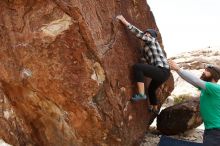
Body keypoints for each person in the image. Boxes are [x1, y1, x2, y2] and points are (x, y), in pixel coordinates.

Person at [116, 15, 170, 114]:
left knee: (137, 68)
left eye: (148, 34)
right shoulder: (146, 48)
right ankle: (155, 109)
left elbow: (139, 34)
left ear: (152, 36)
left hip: (162, 71)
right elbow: (145, 60)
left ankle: (141, 94)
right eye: (146, 33)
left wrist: (125, 22)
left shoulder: (153, 41)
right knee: (151, 89)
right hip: (163, 73)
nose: (146, 35)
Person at [168, 60, 220, 146]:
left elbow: (195, 80)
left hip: (216, 131)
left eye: (207, 71)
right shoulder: (206, 89)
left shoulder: (214, 87)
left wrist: (178, 68)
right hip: (211, 130)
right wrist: (177, 70)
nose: (204, 72)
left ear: (214, 74)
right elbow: (191, 80)